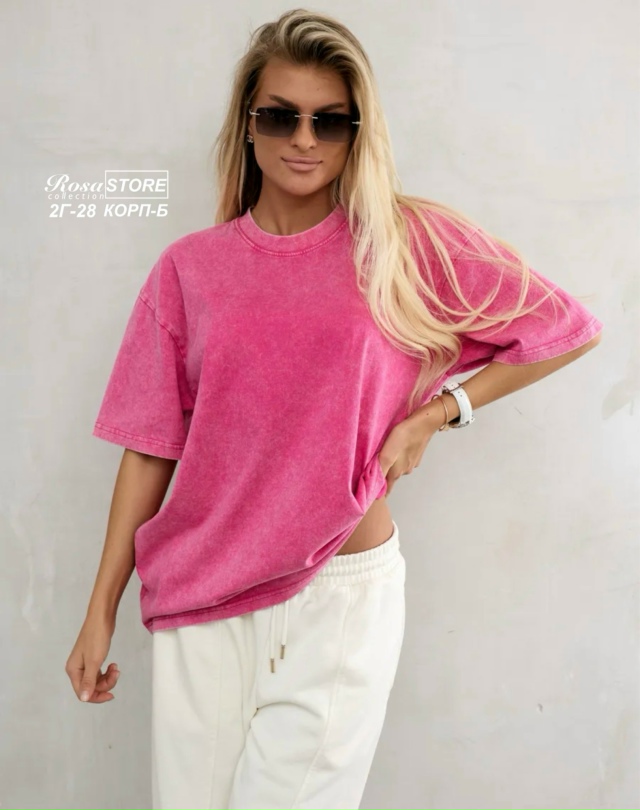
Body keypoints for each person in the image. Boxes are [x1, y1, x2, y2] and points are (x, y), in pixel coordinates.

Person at [65, 8, 604, 810]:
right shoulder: (190, 270)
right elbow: (149, 447)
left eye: (330, 121)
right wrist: (98, 609)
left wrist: (437, 413)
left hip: (340, 596)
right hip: (200, 597)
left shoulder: (401, 245)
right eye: (280, 116)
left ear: (357, 133)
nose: (304, 139)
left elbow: (565, 329)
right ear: (247, 123)